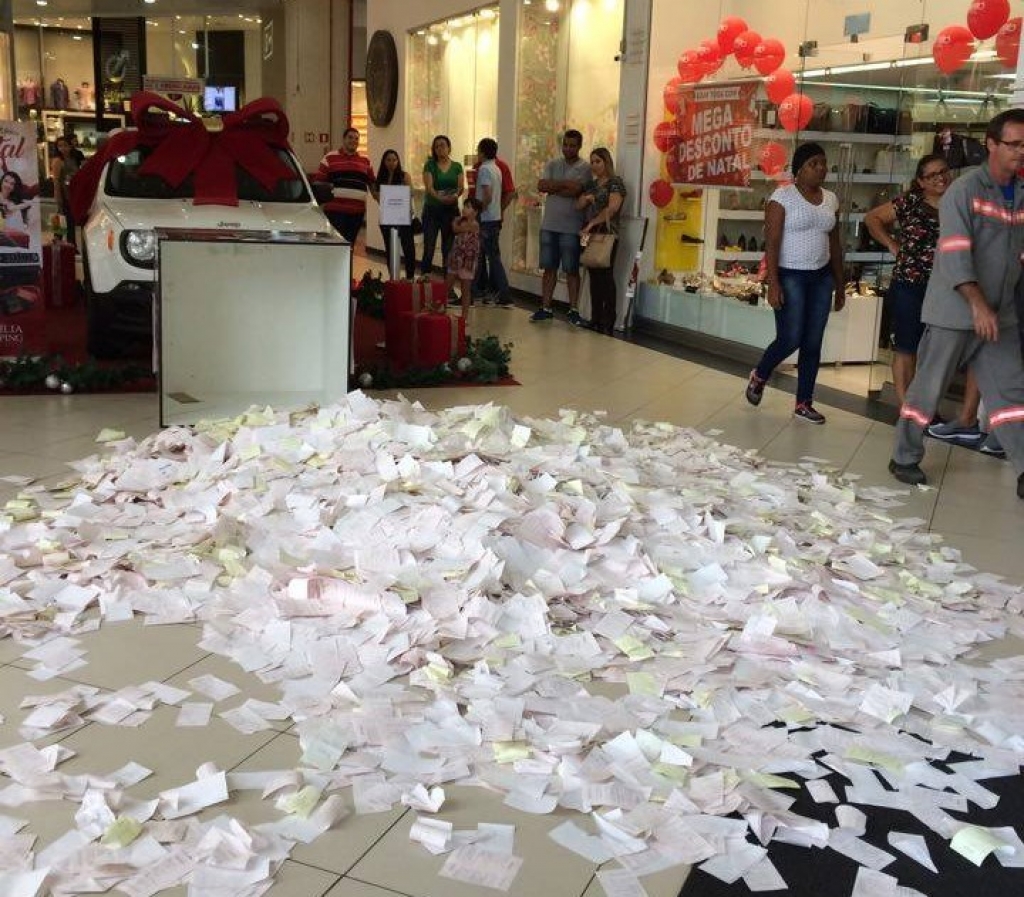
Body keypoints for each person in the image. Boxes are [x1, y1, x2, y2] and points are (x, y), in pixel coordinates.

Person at [889, 108, 1024, 500]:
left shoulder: (1019, 194)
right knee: (927, 390)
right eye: (1013, 144)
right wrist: (978, 305)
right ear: (992, 145)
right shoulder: (963, 192)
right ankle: (904, 455)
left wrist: (996, 309)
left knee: (1013, 397)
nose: (1020, 152)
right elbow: (955, 253)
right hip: (956, 311)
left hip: (1001, 316)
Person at [745, 142, 845, 424]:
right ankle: (760, 374)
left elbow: (835, 243)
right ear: (799, 169)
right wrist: (772, 283)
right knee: (790, 337)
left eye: (824, 163)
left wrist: (840, 282)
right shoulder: (783, 197)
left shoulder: (831, 199)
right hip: (790, 275)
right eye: (814, 164)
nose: (821, 169)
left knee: (813, 342)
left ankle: (804, 402)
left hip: (821, 276)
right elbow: (772, 243)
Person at [864, 154, 951, 406]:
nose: (940, 178)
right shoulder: (910, 202)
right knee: (906, 346)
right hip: (909, 284)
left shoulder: (959, 201)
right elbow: (872, 218)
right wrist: (892, 244)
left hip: (947, 286)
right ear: (921, 182)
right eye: (932, 175)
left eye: (943, 171)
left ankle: (926, 404)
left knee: (937, 351)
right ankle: (907, 407)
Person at [531, 129, 591, 324]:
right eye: (565, 144)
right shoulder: (552, 163)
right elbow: (542, 186)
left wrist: (555, 186)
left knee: (572, 270)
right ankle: (545, 307)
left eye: (572, 145)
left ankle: (573, 310)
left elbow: (576, 190)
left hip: (572, 228)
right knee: (549, 268)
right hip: (549, 225)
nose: (568, 148)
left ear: (579, 146)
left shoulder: (585, 168)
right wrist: (564, 185)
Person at [577, 147, 626, 336]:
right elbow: (578, 205)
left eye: (598, 161)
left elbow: (612, 208)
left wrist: (592, 222)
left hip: (607, 233)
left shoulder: (615, 183)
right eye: (592, 162)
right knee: (593, 275)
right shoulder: (592, 184)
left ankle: (608, 319)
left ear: (606, 162)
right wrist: (587, 198)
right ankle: (595, 318)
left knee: (606, 275)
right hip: (590, 233)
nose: (595, 165)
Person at [313, 127, 375, 247]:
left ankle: (348, 266)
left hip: (357, 213)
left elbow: (372, 184)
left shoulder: (365, 161)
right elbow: (318, 184)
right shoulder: (329, 158)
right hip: (335, 212)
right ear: (344, 139)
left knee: (350, 246)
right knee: (336, 246)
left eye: (356, 138)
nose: (353, 141)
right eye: (350, 137)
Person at [473, 146, 517, 303]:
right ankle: (484, 290)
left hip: (486, 218)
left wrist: (478, 211)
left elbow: (488, 195)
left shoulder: (485, 169)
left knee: (489, 256)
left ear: (482, 152)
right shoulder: (496, 168)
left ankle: (502, 293)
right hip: (494, 217)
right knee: (489, 256)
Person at [420, 135, 464, 277]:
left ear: (449, 148)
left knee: (448, 249)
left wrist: (455, 197)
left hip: (451, 211)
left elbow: (460, 187)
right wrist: (440, 198)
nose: (440, 148)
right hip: (432, 210)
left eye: (443, 145)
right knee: (429, 247)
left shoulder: (457, 166)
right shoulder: (430, 165)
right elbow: (429, 187)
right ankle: (424, 280)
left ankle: (448, 286)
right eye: (437, 146)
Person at [372, 149, 416, 280]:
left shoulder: (404, 176)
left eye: (394, 160)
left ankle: (410, 277)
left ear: (398, 161)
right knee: (390, 250)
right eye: (388, 160)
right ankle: (393, 277)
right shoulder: (379, 179)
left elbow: (411, 193)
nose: (392, 163)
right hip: (387, 219)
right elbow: (377, 197)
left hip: (403, 217)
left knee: (408, 248)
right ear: (384, 162)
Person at [446, 197, 483, 319]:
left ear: (475, 212)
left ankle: (464, 316)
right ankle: (441, 308)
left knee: (465, 288)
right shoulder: (461, 220)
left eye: (468, 207)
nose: (464, 209)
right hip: (456, 257)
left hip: (468, 261)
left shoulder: (474, 225)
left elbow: (457, 229)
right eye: (464, 206)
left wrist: (454, 222)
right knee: (448, 283)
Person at [50, 136, 80, 246]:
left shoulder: (72, 159)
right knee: (61, 216)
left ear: (70, 146)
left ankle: (69, 242)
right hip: (63, 193)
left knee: (69, 219)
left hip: (72, 193)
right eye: (60, 146)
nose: (63, 148)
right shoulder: (57, 161)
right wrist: (58, 196)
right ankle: (58, 241)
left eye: (65, 145)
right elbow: (56, 181)